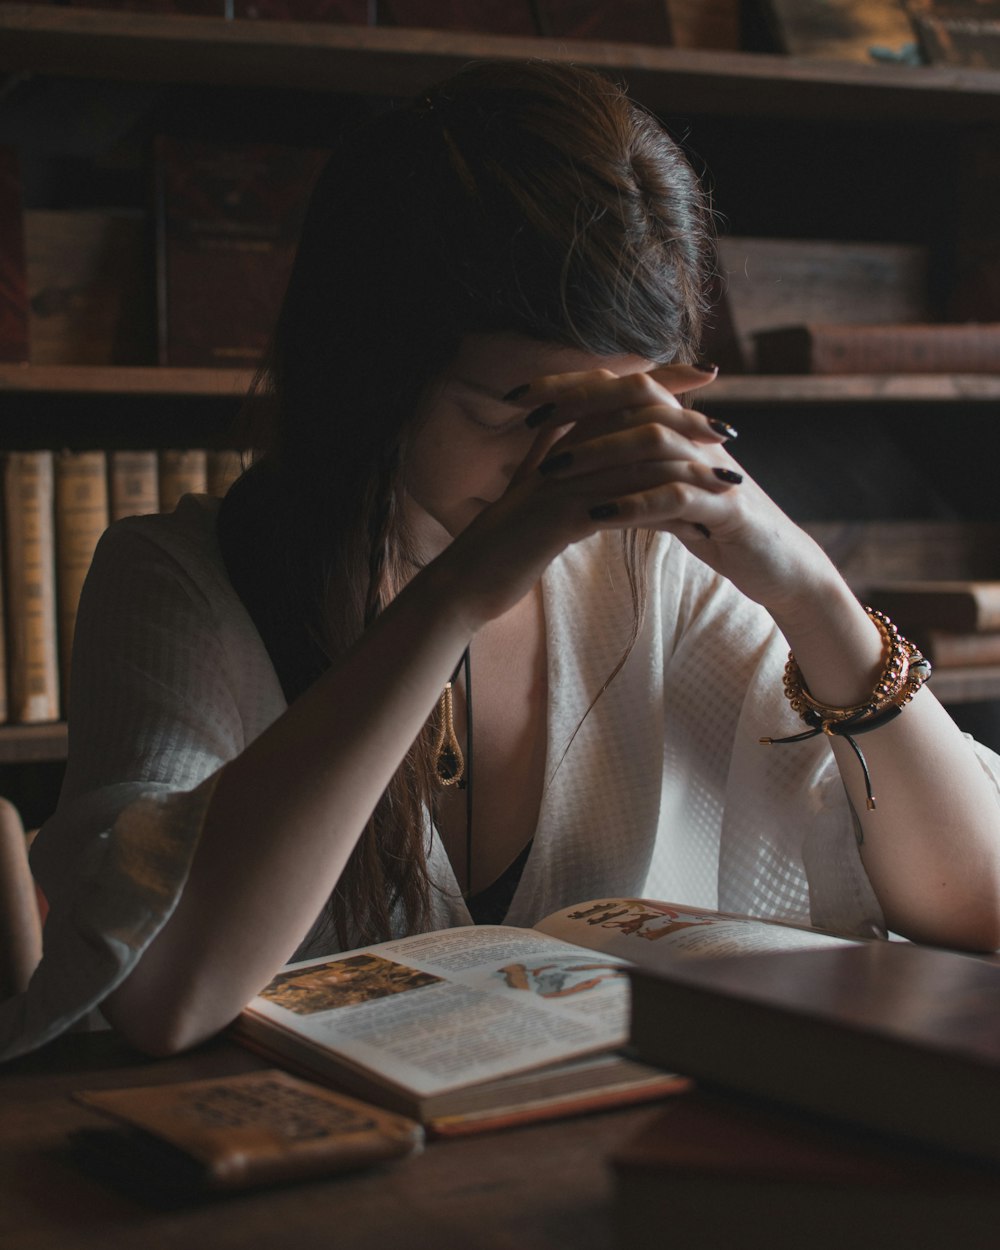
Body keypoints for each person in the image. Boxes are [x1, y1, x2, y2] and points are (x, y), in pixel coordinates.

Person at [3, 59, 1000, 1063]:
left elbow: (978, 899)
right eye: (519, 411)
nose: (564, 469)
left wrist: (805, 585)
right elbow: (163, 995)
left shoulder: (652, 572)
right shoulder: (179, 583)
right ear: (374, 368)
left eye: (614, 408)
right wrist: (456, 596)